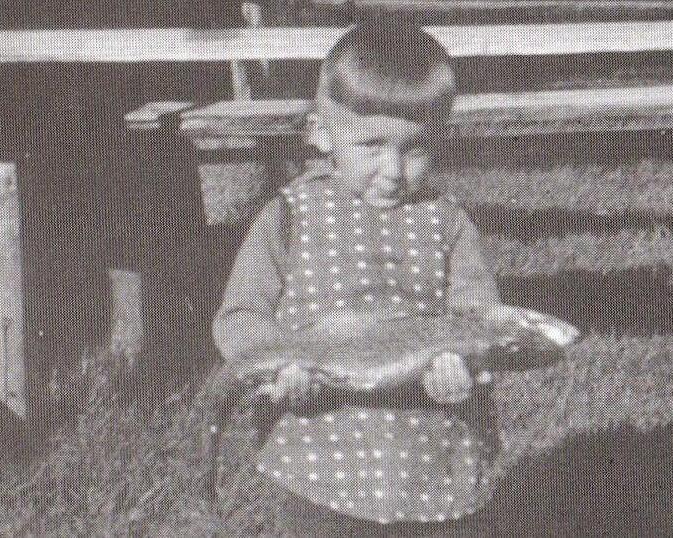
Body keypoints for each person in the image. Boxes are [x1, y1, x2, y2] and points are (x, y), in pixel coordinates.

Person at [213, 21, 578, 536]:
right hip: (319, 450)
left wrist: (460, 368)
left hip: (427, 450)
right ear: (321, 133)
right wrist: (279, 365)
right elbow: (241, 315)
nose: (393, 170)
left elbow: (477, 320)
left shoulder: (448, 222)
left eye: (415, 149)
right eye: (371, 145)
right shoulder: (288, 215)